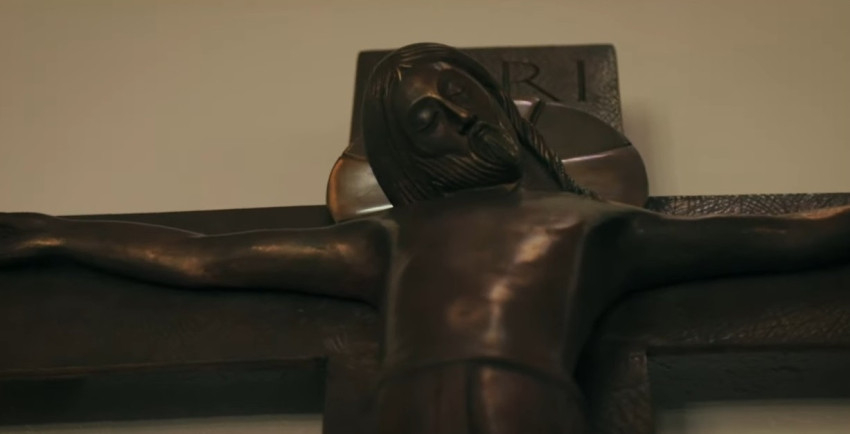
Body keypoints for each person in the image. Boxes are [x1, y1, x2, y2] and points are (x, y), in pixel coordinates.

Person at [1, 43, 848, 434]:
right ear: (407, 155)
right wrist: (51, 237)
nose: (455, 118)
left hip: (525, 403)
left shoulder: (592, 225)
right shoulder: (386, 241)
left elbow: (776, 240)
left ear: (494, 99)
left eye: (458, 92)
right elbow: (203, 257)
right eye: (426, 120)